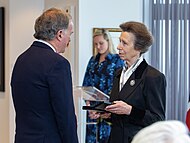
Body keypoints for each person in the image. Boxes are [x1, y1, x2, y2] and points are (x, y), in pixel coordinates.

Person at [11, 8, 78, 143]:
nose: (69, 40)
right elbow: (65, 115)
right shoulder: (58, 63)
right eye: (69, 34)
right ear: (59, 34)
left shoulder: (22, 59)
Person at [103, 21, 166, 143]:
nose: (118, 46)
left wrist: (130, 110)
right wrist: (108, 114)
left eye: (124, 43)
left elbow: (157, 119)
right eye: (119, 41)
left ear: (138, 48)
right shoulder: (118, 73)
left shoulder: (153, 77)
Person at [83, 28, 124, 143]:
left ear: (108, 42)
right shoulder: (92, 61)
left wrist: (104, 110)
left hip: (108, 112)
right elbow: (86, 85)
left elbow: (119, 87)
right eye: (96, 44)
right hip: (92, 112)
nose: (98, 47)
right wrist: (89, 106)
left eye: (101, 43)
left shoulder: (117, 60)